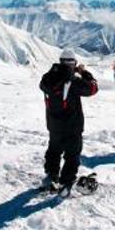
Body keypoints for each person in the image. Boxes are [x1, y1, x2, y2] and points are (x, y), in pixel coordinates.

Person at [37, 49, 98, 191]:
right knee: (72, 154)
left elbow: (46, 82)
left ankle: (51, 177)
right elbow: (93, 88)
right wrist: (84, 73)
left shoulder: (47, 78)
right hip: (72, 126)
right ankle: (66, 182)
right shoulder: (73, 81)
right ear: (73, 63)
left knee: (54, 150)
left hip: (54, 124)